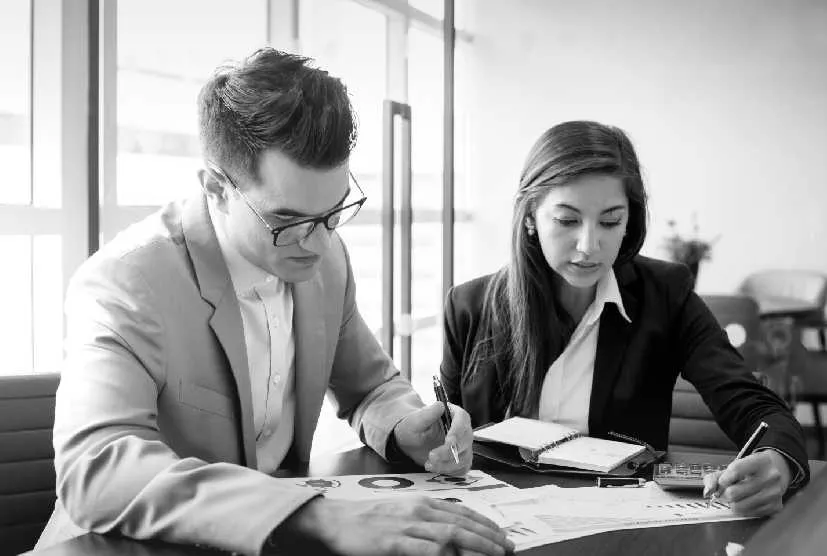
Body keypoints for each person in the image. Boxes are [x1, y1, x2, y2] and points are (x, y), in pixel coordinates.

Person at [35, 48, 513, 556]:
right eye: (287, 222)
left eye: (334, 211)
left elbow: (370, 385)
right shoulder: (126, 281)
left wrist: (406, 427)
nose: (319, 242)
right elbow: (97, 466)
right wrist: (311, 515)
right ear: (216, 188)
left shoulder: (324, 257)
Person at [440, 120, 810, 517]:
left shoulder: (666, 294)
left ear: (630, 220)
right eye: (567, 221)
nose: (589, 245)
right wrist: (441, 441)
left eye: (610, 221)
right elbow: (448, 431)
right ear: (530, 216)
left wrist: (778, 461)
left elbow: (753, 404)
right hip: (497, 521)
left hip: (622, 520)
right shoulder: (469, 306)